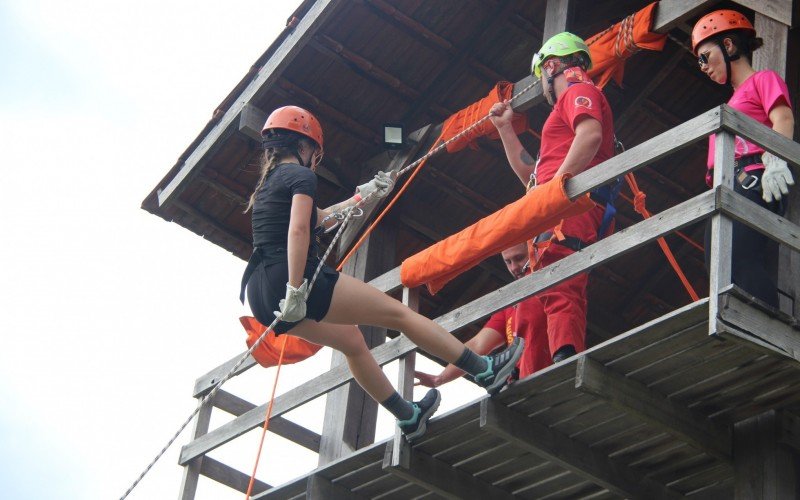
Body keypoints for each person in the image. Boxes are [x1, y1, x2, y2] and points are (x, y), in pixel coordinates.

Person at [240, 105, 525, 440]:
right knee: (398, 315)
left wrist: (365, 195)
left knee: (352, 341)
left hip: (259, 293)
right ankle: (485, 370)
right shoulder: (301, 176)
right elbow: (300, 230)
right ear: (305, 146)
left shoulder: (270, 184)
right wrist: (296, 285)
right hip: (289, 279)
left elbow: (319, 219)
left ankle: (408, 416)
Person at [489, 32, 616, 363]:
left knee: (557, 274)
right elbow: (532, 178)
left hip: (569, 204)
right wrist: (505, 128)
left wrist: (557, 191)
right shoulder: (567, 106)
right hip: (561, 202)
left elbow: (590, 135)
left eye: (541, 77)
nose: (542, 86)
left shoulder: (579, 91)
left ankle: (565, 358)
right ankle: (560, 355)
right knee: (554, 277)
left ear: (552, 66)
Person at [692, 9, 795, 308]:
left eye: (704, 56)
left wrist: (776, 159)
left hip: (755, 177)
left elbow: (783, 118)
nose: (702, 66)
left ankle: (765, 319)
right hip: (728, 184)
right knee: (718, 265)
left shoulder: (763, 80)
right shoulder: (731, 102)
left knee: (741, 257)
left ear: (728, 46)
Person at [414, 242, 552, 388]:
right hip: (525, 384)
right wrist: (440, 378)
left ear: (534, 250)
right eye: (508, 261)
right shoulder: (509, 305)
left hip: (555, 373)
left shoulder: (553, 279)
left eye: (519, 258)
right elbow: (478, 345)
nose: (514, 267)